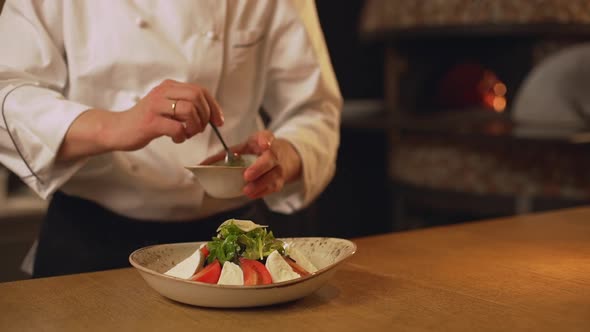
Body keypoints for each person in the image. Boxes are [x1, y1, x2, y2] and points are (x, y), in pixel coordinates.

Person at [0, 0, 341, 277]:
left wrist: (285, 157)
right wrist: (115, 126)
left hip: (233, 241)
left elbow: (315, 109)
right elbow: (6, 92)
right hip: (91, 241)